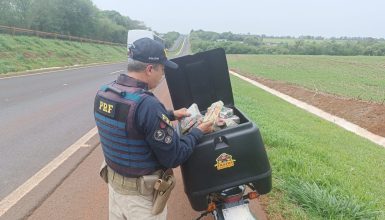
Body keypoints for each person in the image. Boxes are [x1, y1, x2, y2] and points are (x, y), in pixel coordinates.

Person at [93, 37, 214, 220]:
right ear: (150, 69)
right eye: (162, 70)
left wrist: (171, 115)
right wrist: (198, 132)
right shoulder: (147, 105)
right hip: (141, 202)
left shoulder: (104, 92)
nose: (163, 75)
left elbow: (131, 123)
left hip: (115, 192)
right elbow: (175, 156)